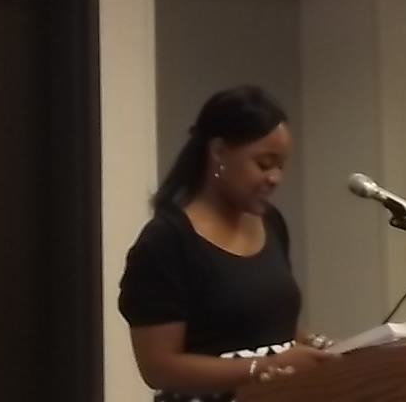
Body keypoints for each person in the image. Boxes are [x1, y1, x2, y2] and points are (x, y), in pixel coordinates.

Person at [120, 86, 337, 401]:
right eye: (264, 163)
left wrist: (318, 346)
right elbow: (159, 367)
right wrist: (263, 369)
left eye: (281, 166)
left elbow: (265, 324)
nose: (275, 178)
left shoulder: (271, 223)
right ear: (219, 152)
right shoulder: (166, 242)